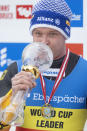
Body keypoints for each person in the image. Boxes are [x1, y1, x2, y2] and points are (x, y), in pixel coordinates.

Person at [0, 0, 87, 131]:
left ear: (65, 35)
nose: (44, 41)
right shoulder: (16, 69)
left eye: (52, 34)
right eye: (38, 33)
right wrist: (11, 98)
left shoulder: (84, 71)